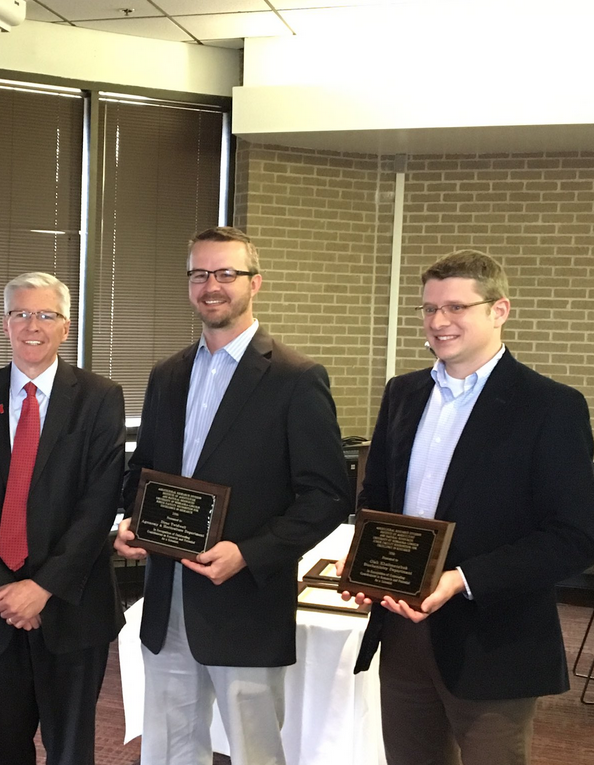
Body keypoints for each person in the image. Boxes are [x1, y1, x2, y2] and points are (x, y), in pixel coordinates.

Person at [341, 249, 594, 765]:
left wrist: (460, 579)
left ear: (498, 310)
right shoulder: (403, 393)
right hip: (402, 630)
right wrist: (371, 569)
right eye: (429, 309)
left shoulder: (550, 407)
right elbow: (377, 500)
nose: (439, 322)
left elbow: (574, 538)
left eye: (456, 307)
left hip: (494, 639)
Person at [114, 226, 351, 765]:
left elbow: (327, 495)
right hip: (167, 595)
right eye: (200, 274)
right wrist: (133, 521)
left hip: (245, 602)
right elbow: (143, 471)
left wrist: (248, 553)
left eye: (226, 273)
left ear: (255, 282)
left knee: (254, 751)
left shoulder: (296, 378)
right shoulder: (167, 374)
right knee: (171, 748)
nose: (212, 285)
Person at [0, 272, 125, 765]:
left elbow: (99, 505)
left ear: (66, 327)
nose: (32, 325)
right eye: (20, 313)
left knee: (71, 751)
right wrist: (2, 589)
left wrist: (41, 587)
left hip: (72, 605)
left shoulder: (101, 399)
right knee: (3, 750)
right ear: (5, 325)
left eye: (46, 314)